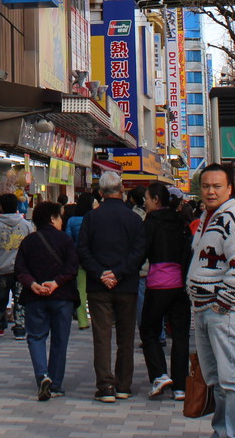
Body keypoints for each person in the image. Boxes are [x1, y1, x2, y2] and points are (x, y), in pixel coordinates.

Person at [188, 164, 235, 438]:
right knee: (217, 380)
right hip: (205, 310)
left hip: (222, 311)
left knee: (233, 380)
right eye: (206, 186)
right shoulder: (209, 217)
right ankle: (223, 432)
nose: (210, 191)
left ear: (229, 189)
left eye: (217, 186)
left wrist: (222, 304)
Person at [76, 170, 145, 402]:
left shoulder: (91, 218)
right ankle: (124, 385)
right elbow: (138, 253)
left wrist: (100, 273)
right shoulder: (134, 219)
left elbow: (82, 250)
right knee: (126, 338)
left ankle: (105, 386)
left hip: (98, 286)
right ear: (121, 189)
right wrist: (119, 272)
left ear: (100, 192)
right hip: (127, 285)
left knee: (102, 336)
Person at [15, 200, 79, 402]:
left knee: (36, 337)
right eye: (60, 217)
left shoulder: (29, 241)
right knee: (60, 341)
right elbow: (72, 268)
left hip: (35, 297)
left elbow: (20, 269)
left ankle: (42, 375)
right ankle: (56, 385)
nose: (62, 221)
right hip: (62, 298)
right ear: (52, 218)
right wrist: (56, 283)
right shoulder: (65, 241)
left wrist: (32, 284)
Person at [139, 182, 193, 400]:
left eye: (147, 198)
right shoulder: (181, 222)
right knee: (180, 335)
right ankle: (181, 387)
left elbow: (141, 252)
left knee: (149, 330)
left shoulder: (151, 222)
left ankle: (160, 374)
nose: (145, 202)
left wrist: (121, 273)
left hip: (158, 284)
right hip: (180, 286)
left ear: (156, 200)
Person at [0, 193, 34, 338]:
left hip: (1, 269)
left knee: (0, 299)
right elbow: (32, 247)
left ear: (0, 207)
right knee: (20, 299)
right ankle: (20, 328)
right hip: (21, 271)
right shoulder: (26, 225)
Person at [65, 193, 95, 329]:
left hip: (79, 259)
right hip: (95, 259)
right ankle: (97, 319)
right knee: (95, 291)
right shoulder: (95, 218)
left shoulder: (72, 220)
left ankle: (83, 321)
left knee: (81, 290)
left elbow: (68, 240)